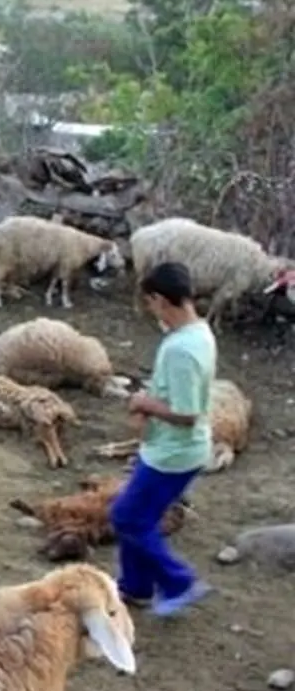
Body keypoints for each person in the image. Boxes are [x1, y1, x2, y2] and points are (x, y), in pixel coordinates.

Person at [111, 261, 215, 616]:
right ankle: (134, 587)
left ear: (160, 299)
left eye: (150, 302)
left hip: (173, 453)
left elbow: (187, 414)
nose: (150, 310)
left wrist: (144, 403)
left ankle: (178, 581)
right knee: (141, 516)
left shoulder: (180, 350)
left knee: (127, 517)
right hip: (171, 448)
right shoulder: (200, 333)